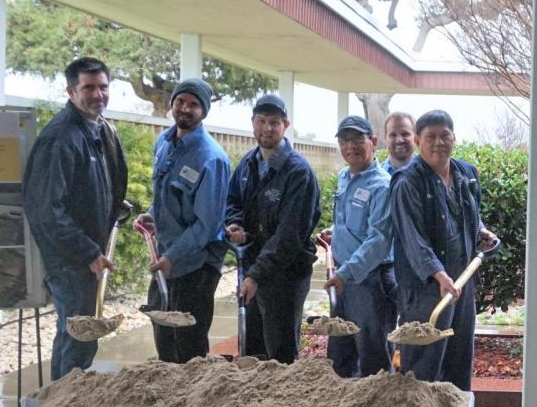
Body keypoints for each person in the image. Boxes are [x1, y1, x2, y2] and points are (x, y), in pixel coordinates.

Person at [24, 56, 128, 381]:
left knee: (83, 338)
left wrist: (113, 202)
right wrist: (87, 252)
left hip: (86, 256)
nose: (98, 94)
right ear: (71, 91)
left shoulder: (97, 129)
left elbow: (85, 186)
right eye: (89, 87)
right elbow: (46, 209)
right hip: (70, 261)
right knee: (77, 336)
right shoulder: (61, 138)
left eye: (103, 87)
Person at [390, 110, 497, 390]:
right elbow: (413, 239)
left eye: (444, 135)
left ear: (454, 138)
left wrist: (480, 230)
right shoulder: (407, 183)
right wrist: (438, 274)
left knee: (459, 359)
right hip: (426, 289)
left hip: (461, 283)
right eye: (430, 137)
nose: (439, 142)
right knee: (424, 364)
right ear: (417, 141)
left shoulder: (465, 174)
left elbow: (469, 216)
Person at [132, 78, 231, 364]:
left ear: (204, 111)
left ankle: (194, 405)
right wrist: (152, 215)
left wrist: (172, 257)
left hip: (197, 265)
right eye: (180, 102)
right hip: (167, 259)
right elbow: (165, 196)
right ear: (173, 104)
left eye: (194, 105)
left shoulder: (212, 158)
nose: (185, 109)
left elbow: (208, 224)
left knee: (188, 346)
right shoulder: (164, 143)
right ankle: (169, 404)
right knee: (163, 338)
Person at [224, 94, 321, 364]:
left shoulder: (297, 172)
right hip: (254, 269)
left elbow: (289, 236)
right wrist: (235, 224)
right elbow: (232, 201)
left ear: (285, 126)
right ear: (253, 123)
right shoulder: (248, 163)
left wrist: (255, 275)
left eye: (274, 122)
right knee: (253, 347)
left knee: (280, 352)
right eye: (261, 121)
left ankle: (284, 404)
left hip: (285, 275)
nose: (267, 128)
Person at [325, 115, 397, 378]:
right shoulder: (345, 177)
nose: (350, 146)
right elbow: (352, 224)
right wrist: (335, 233)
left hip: (370, 282)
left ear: (374, 142)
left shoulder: (383, 185)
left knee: (373, 358)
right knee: (340, 354)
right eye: (345, 140)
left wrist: (344, 274)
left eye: (358, 139)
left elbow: (378, 240)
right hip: (344, 279)